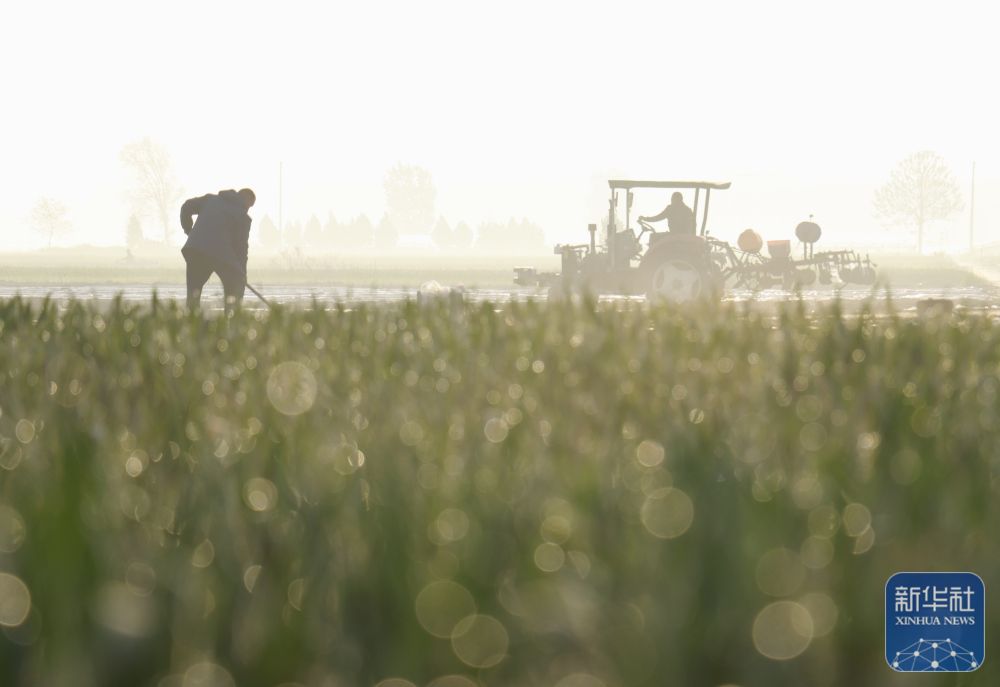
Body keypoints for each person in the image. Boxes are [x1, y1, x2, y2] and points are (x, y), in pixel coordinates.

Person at [180, 188, 255, 311]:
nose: (248, 209)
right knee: (234, 287)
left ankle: (192, 319)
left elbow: (186, 207)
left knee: (193, 294)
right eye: (250, 206)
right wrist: (242, 275)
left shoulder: (210, 200)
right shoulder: (242, 216)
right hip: (220, 255)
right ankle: (232, 318)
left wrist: (189, 231)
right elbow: (241, 250)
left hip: (196, 249)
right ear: (247, 201)